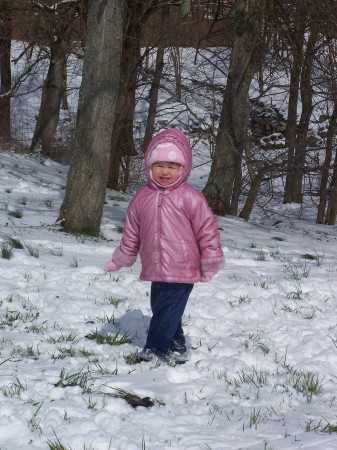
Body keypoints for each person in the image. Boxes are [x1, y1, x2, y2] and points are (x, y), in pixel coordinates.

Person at [104, 128, 224, 364]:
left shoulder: (191, 197)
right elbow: (131, 233)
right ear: (150, 166)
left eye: (172, 166)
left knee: (167, 308)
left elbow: (207, 230)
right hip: (156, 264)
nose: (165, 171)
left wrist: (210, 259)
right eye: (160, 165)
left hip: (182, 265)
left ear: (183, 168)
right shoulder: (142, 197)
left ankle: (155, 350)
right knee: (163, 307)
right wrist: (121, 258)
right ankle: (177, 346)